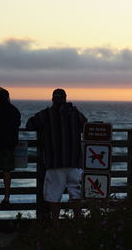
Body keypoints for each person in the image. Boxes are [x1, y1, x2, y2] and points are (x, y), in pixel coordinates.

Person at [26, 89, 87, 222]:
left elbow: (29, 125)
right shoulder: (75, 113)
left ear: (52, 99)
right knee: (76, 194)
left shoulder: (46, 114)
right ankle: (78, 221)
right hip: (74, 161)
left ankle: (55, 224)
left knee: (54, 195)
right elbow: (86, 125)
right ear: (65, 98)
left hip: (55, 162)